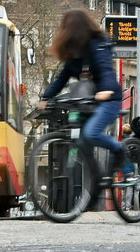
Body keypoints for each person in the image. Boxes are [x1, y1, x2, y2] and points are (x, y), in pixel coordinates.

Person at [38, 10, 125, 168]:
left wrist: (106, 91)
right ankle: (95, 181)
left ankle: (119, 149)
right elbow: (61, 78)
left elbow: (105, 69)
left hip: (109, 98)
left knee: (91, 133)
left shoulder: (98, 44)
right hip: (89, 101)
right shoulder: (73, 55)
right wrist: (46, 97)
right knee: (81, 140)